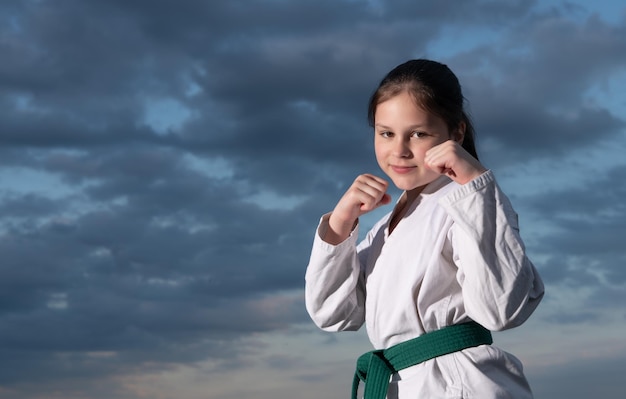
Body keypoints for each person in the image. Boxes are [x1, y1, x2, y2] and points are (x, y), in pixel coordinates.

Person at [304, 59, 545, 399]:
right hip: (403, 384)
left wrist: (476, 189)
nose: (399, 150)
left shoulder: (468, 204)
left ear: (456, 132)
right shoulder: (386, 224)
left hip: (458, 385)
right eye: (386, 133)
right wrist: (340, 225)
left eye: (417, 133)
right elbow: (334, 314)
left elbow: (501, 309)